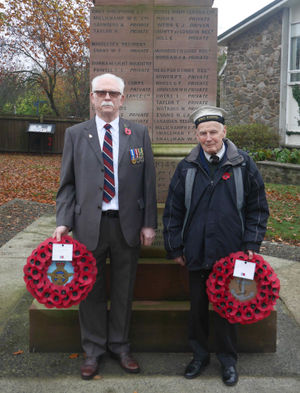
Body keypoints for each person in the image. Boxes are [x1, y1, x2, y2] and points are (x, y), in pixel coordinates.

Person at [53, 73, 157, 379]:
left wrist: (149, 223)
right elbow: (67, 185)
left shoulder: (137, 133)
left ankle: (121, 347)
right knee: (90, 291)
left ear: (123, 99)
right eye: (101, 93)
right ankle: (93, 351)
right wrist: (63, 221)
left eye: (113, 93)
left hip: (127, 226)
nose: (107, 98)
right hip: (88, 227)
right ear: (92, 97)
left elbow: (148, 183)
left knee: (124, 291)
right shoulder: (75, 134)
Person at [163, 105, 269, 386]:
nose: (208, 137)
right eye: (202, 133)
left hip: (232, 253)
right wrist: (175, 247)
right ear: (196, 135)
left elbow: (258, 208)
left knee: (229, 308)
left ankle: (228, 360)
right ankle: (199, 356)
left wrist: (251, 243)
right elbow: (173, 210)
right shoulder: (186, 166)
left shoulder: (243, 164)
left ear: (224, 131)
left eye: (213, 131)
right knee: (197, 308)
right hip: (196, 252)